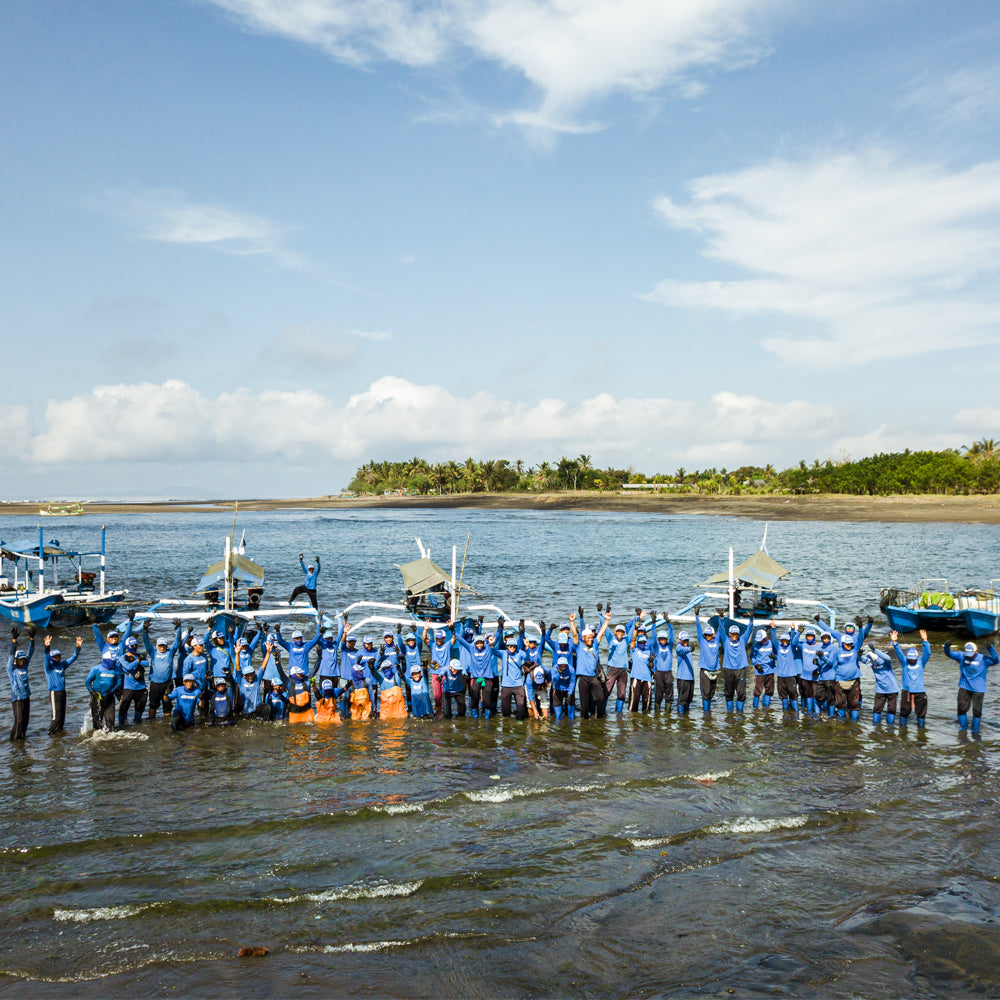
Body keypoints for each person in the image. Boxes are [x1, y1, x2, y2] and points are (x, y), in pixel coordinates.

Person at [944, 639, 1000, 733]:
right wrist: (946, 645)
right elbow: (949, 653)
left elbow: (996, 660)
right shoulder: (962, 656)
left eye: (972, 654)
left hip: (978, 688)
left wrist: (990, 648)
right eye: (968, 654)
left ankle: (975, 730)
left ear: (976, 651)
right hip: (964, 686)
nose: (969, 657)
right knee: (961, 709)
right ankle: (963, 728)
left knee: (977, 711)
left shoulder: (983, 659)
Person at [571, 611, 610, 719]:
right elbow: (574, 634)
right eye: (588, 637)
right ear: (583, 637)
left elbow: (601, 632)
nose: (591, 638)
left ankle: (600, 718)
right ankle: (584, 723)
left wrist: (607, 620)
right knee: (584, 704)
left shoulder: (595, 644)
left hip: (594, 678)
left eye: (591, 637)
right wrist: (572, 622)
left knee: (600, 698)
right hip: (583, 679)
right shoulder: (578, 645)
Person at [42, 634, 83, 734]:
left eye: (59, 656)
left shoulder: (62, 665)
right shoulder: (49, 667)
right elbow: (46, 656)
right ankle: (51, 735)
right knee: (56, 717)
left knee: (62, 718)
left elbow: (73, 657)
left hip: (62, 692)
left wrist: (78, 648)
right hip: (54, 693)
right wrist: (47, 647)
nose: (57, 658)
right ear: (52, 658)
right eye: (55, 657)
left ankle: (59, 738)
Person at [891, 630, 931, 727]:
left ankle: (921, 732)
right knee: (904, 713)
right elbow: (899, 652)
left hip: (920, 692)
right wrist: (895, 642)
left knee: (921, 714)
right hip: (907, 692)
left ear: (917, 657)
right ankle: (903, 731)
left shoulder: (921, 662)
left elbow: (927, 653)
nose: (912, 660)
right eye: (910, 658)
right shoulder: (905, 662)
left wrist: (925, 640)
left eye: (913, 658)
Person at [148, 622, 184, 720]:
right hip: (155, 684)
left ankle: (166, 724)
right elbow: (146, 642)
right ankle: (152, 723)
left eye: (164, 645)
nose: (162, 647)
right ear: (157, 646)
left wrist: (178, 628)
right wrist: (145, 630)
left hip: (168, 683)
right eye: (160, 645)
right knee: (153, 705)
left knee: (167, 705)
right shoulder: (153, 652)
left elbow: (177, 641)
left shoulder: (170, 652)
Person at [493, 623, 529, 719]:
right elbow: (493, 651)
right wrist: (492, 644)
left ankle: (520, 727)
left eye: (513, 646)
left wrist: (527, 647)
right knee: (505, 712)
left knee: (521, 710)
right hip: (506, 685)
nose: (512, 648)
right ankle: (506, 729)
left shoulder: (520, 653)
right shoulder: (503, 653)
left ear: (516, 646)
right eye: (510, 646)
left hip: (518, 685)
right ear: (507, 646)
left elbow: (528, 657)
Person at [6, 627, 35, 741]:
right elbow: (11, 655)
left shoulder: (25, 667)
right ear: (16, 660)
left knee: (25, 721)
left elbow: (31, 652)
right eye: (20, 660)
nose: (22, 661)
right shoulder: (11, 669)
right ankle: (14, 742)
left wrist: (32, 639)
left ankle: (22, 741)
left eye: (23, 659)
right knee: (19, 721)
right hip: (17, 698)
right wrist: (14, 641)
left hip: (26, 697)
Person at [721, 618, 754, 713]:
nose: (735, 635)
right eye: (733, 633)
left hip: (740, 670)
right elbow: (721, 630)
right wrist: (721, 619)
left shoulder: (742, 640)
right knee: (729, 694)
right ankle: (730, 715)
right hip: (729, 670)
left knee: (741, 693)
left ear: (738, 634)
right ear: (729, 634)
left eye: (736, 634)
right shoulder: (725, 641)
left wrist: (751, 619)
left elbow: (749, 629)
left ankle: (740, 714)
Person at [862, 643, 899, 725]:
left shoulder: (886, 662)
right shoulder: (872, 663)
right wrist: (858, 655)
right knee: (877, 709)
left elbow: (888, 658)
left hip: (892, 689)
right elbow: (864, 660)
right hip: (880, 689)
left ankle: (890, 727)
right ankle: (875, 726)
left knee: (891, 709)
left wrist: (875, 650)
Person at [85, 650, 122, 732]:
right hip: (97, 698)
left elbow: (119, 683)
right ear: (107, 660)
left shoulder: (116, 670)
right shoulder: (96, 669)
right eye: (113, 660)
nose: (114, 662)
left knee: (110, 724)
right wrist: (92, 692)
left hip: (109, 697)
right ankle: (98, 740)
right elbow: (87, 682)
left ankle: (109, 740)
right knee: (97, 724)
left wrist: (111, 691)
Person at [117, 637, 149, 726]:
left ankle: (138, 724)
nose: (134, 647)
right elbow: (128, 667)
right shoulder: (123, 657)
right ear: (127, 646)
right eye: (132, 646)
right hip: (129, 687)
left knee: (140, 708)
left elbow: (146, 663)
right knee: (123, 708)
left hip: (141, 687)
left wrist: (135, 659)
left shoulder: (138, 655)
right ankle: (121, 725)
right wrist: (138, 660)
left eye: (136, 645)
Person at [694, 612, 721, 713]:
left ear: (713, 635)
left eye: (709, 635)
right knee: (705, 693)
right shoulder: (702, 641)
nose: (707, 636)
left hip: (714, 671)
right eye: (706, 635)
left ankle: (708, 713)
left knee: (711, 693)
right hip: (705, 671)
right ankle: (706, 714)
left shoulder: (716, 640)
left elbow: (720, 629)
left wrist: (721, 618)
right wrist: (697, 616)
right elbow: (698, 629)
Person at [649, 612, 674, 712]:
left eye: (664, 639)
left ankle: (668, 714)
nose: (663, 641)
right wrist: (653, 623)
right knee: (658, 695)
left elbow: (672, 635)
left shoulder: (669, 646)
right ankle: (657, 715)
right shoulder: (656, 646)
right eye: (661, 639)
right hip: (659, 673)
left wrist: (668, 622)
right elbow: (653, 637)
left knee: (669, 695)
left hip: (668, 673)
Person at [773, 628, 800, 713]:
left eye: (786, 641)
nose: (785, 642)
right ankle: (785, 715)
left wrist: (796, 631)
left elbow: (794, 641)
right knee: (783, 697)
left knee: (793, 696)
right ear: (781, 640)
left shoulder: (792, 648)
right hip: (780, 676)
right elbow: (774, 640)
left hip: (790, 675)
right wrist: (773, 628)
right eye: (783, 640)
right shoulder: (778, 647)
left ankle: (796, 714)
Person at [628, 625, 653, 713]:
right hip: (636, 677)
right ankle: (633, 721)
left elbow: (651, 666)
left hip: (647, 679)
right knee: (634, 702)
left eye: (643, 642)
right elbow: (633, 640)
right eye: (640, 642)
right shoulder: (634, 650)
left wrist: (651, 661)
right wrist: (635, 628)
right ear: (638, 642)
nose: (642, 643)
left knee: (646, 704)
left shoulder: (648, 651)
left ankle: (645, 721)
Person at [749, 626, 775, 709]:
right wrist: (756, 665)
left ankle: (766, 709)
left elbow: (778, 655)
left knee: (769, 691)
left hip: (770, 671)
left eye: (761, 639)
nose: (759, 641)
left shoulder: (772, 644)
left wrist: (774, 657)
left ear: (765, 637)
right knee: (757, 692)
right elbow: (752, 657)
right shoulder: (755, 645)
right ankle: (755, 710)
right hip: (759, 672)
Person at [674, 631, 695, 714]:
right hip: (683, 678)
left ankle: (686, 717)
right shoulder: (679, 647)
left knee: (689, 699)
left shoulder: (688, 647)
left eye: (687, 640)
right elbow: (683, 650)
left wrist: (689, 648)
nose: (686, 642)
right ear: (680, 640)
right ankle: (681, 717)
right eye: (684, 640)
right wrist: (689, 649)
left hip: (690, 677)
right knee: (682, 699)